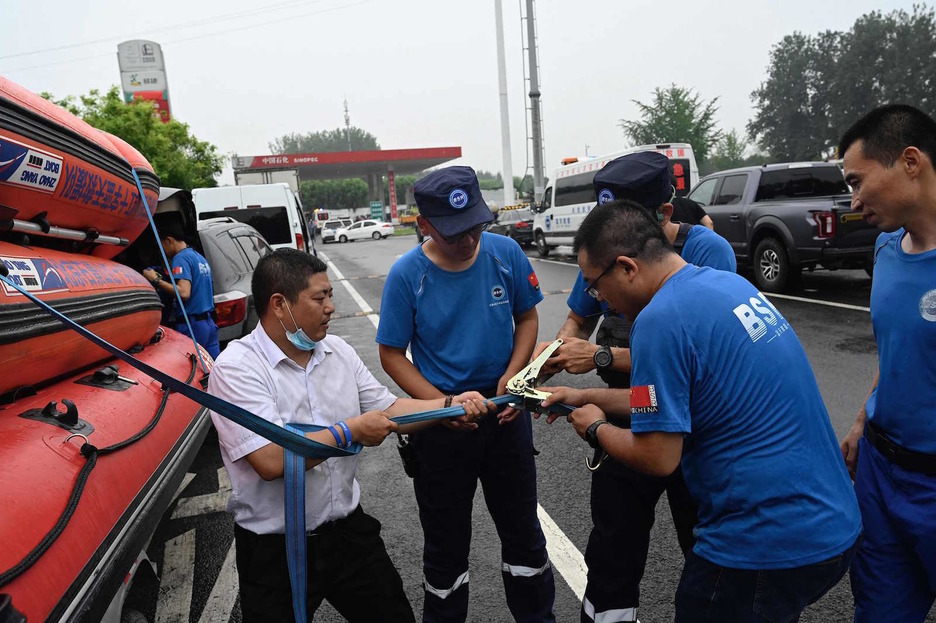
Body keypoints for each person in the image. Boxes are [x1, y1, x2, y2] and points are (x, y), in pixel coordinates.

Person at [541, 199, 862, 622]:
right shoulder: (726, 286)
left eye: (594, 284)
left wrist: (596, 428)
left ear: (626, 267)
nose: (597, 298)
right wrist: (587, 397)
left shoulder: (659, 320)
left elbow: (657, 456)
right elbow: (674, 403)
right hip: (830, 527)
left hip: (759, 546)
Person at [207, 248, 493, 623]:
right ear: (279, 305)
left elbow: (389, 410)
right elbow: (270, 460)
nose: (330, 307)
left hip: (348, 535)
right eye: (319, 297)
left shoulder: (337, 352)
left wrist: (450, 405)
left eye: (331, 296)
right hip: (274, 552)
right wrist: (350, 431)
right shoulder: (236, 369)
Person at [532, 152, 735, 623]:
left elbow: (695, 358)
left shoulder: (706, 254)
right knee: (612, 549)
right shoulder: (606, 255)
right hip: (626, 403)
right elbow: (576, 322)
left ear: (662, 215)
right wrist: (544, 366)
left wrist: (601, 357)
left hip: (691, 417)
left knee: (702, 543)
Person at [377, 166, 555, 622]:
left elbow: (527, 319)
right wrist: (440, 406)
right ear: (425, 226)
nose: (469, 240)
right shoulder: (406, 275)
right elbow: (392, 353)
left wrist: (515, 380)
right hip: (442, 427)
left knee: (524, 537)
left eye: (475, 227)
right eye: (455, 233)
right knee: (446, 547)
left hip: (504, 415)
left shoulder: (506, 253)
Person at [838, 104, 936, 623]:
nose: (854, 201)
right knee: (879, 610)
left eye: (858, 181)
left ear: (911, 162)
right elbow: (897, 349)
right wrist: (861, 419)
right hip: (880, 470)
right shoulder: (885, 249)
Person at [142, 220, 220, 359]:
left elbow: (184, 293)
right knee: (214, 369)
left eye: (162, 246)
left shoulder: (181, 258)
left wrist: (155, 280)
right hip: (209, 324)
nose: (162, 251)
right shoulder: (199, 258)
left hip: (193, 326)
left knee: (192, 372)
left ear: (169, 240)